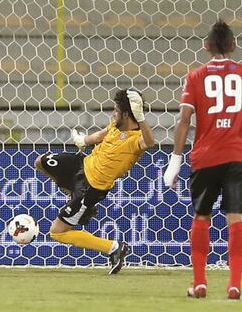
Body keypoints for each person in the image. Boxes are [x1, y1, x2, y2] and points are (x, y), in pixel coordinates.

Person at [164, 20, 242, 300]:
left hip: (205, 157)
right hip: (238, 157)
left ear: (207, 46)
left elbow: (184, 120)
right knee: (236, 217)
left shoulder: (195, 77)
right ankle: (234, 285)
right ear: (234, 46)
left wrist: (175, 160)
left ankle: (199, 283)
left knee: (201, 216)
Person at [34, 89, 155, 274]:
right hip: (81, 164)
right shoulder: (116, 124)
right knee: (40, 162)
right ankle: (70, 193)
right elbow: (100, 136)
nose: (112, 114)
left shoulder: (136, 139)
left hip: (90, 188)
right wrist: (82, 140)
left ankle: (113, 247)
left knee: (57, 231)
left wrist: (141, 117)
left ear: (126, 113)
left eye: (115, 110)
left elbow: (150, 142)